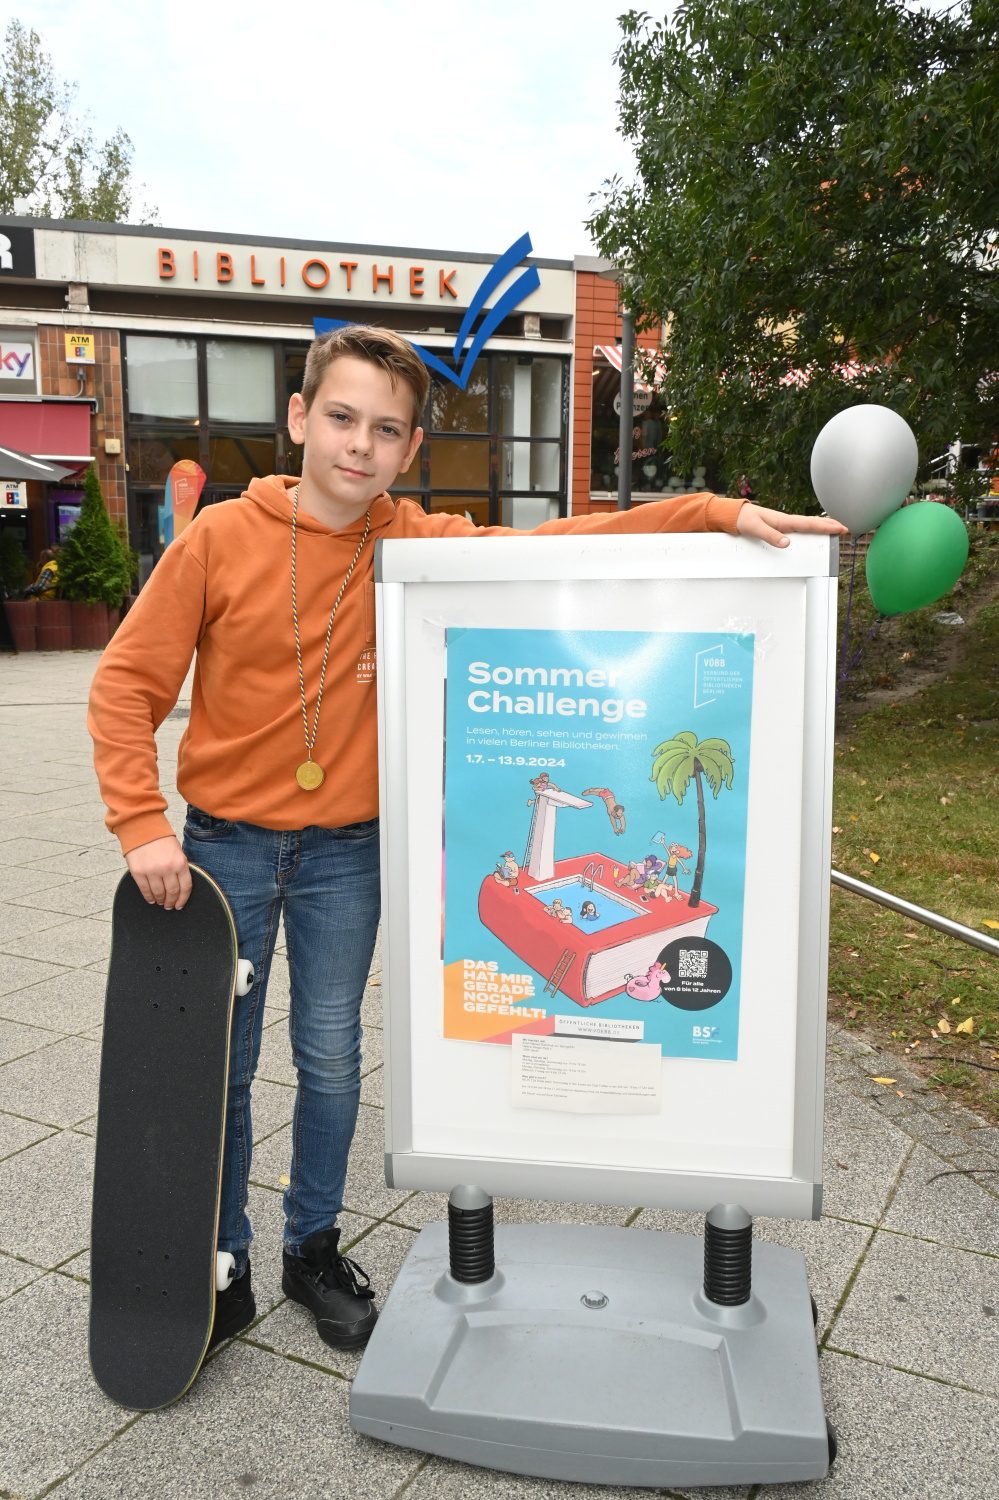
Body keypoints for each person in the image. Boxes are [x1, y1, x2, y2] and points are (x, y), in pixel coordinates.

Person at [87, 324, 845, 1360]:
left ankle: (314, 1247)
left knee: (331, 1056)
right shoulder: (220, 539)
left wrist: (713, 515)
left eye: (387, 430)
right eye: (343, 418)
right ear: (302, 419)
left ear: (407, 451)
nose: (361, 445)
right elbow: (126, 689)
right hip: (223, 852)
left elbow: (562, 543)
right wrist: (140, 827)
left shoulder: (412, 548)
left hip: (349, 855)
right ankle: (219, 1264)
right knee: (218, 1065)